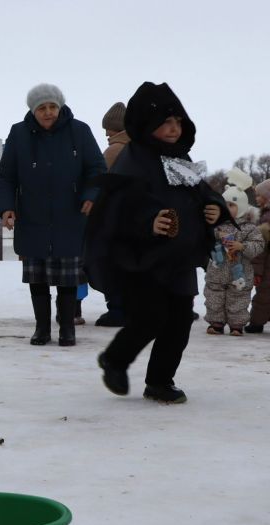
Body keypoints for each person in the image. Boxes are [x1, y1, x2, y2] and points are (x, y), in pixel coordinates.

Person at [88, 82, 230, 404]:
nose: (173, 128)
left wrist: (214, 209)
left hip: (177, 258)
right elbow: (117, 208)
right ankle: (115, 359)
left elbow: (203, 192)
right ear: (147, 124)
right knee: (150, 317)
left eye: (178, 122)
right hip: (141, 259)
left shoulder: (180, 159)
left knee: (180, 320)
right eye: (166, 122)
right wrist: (148, 222)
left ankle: (160, 381)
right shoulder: (133, 160)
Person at [0, 83, 106, 347]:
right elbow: (7, 176)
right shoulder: (19, 133)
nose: (48, 113)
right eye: (42, 108)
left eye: (53, 107)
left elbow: (97, 170)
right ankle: (42, 329)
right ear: (33, 110)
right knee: (38, 278)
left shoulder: (79, 131)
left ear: (61, 107)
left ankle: (67, 329)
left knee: (67, 279)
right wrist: (7, 206)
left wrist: (91, 196)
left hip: (70, 216)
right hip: (32, 217)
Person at [204, 186, 264, 336]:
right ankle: (216, 322)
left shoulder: (250, 228)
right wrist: (216, 235)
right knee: (214, 296)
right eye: (224, 204)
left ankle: (236, 324)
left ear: (242, 207)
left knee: (238, 298)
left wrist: (242, 246)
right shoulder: (216, 224)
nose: (226, 208)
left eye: (231, 205)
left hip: (240, 273)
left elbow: (259, 245)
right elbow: (204, 239)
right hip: (217, 271)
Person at [95, 101, 130, 328]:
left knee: (113, 266)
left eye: (108, 128)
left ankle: (117, 310)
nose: (106, 133)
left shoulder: (114, 150)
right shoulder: (142, 148)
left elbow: (99, 183)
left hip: (115, 219)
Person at [246, 179, 270, 333]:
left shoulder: (266, 220)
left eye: (259, 195)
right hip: (266, 266)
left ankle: (257, 323)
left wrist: (257, 271)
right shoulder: (264, 217)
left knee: (263, 296)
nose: (256, 198)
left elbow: (260, 249)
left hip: (267, 268)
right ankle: (257, 321)